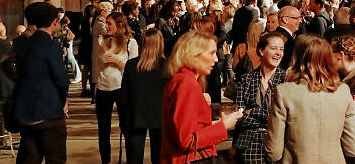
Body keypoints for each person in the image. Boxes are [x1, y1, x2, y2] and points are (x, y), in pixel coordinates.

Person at [265, 36, 355, 164]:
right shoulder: (343, 92)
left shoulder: (284, 93)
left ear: (298, 58)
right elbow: (353, 149)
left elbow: (274, 153)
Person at [162, 30, 243, 163]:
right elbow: (187, 140)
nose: (216, 59)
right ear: (193, 54)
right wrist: (223, 126)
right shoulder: (186, 83)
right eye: (211, 53)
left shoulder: (181, 80)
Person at [12, 2, 70, 164]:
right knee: (55, 157)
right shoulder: (51, 46)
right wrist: (63, 99)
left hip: (25, 110)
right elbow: (61, 78)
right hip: (48, 111)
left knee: (30, 158)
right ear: (54, 22)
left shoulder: (23, 43)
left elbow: (5, 63)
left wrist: (19, 82)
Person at [234, 32, 287, 164]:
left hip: (277, 143)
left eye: (281, 49)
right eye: (274, 48)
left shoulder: (287, 80)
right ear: (261, 50)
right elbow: (238, 117)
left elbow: (286, 119)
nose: (278, 53)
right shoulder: (246, 79)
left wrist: (252, 111)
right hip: (248, 144)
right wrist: (268, 119)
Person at [94, 12, 139, 164]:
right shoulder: (102, 40)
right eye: (106, 23)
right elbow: (97, 63)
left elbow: (134, 69)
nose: (106, 27)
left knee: (126, 127)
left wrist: (118, 62)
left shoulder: (130, 43)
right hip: (103, 87)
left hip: (121, 88)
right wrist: (102, 60)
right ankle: (105, 161)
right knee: (103, 129)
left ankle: (130, 160)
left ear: (119, 25)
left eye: (109, 24)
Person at [121, 28, 165, 164]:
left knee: (134, 159)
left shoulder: (131, 65)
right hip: (160, 116)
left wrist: (123, 120)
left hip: (135, 116)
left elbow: (124, 96)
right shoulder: (168, 66)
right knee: (160, 158)